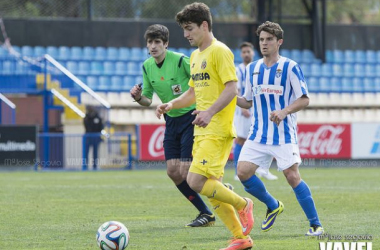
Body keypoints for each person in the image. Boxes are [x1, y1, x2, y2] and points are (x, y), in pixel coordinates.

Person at [157, 3, 254, 250]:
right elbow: (192, 92)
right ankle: (240, 238)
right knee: (213, 189)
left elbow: (232, 88)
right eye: (184, 30)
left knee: (195, 181)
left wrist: (210, 112)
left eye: (189, 28)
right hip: (201, 130)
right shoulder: (195, 56)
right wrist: (171, 104)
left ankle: (244, 204)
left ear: (204, 25)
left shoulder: (220, 51)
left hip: (217, 129)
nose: (186, 34)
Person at [236, 21, 324, 236]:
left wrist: (284, 112)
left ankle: (315, 224)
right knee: (243, 172)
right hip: (257, 134)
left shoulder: (290, 67)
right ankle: (273, 204)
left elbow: (304, 99)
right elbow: (247, 101)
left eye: (269, 39)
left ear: (279, 42)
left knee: (292, 176)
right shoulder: (252, 69)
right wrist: (229, 97)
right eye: (262, 40)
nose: (264, 43)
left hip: (283, 134)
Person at [130, 24, 215, 227]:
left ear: (166, 44)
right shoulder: (147, 66)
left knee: (186, 172)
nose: (153, 46)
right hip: (171, 121)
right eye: (150, 42)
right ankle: (206, 213)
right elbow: (148, 100)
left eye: (157, 42)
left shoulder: (181, 61)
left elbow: (202, 84)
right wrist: (139, 97)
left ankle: (219, 189)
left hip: (190, 118)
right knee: (172, 171)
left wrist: (206, 109)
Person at [233, 42, 278, 181]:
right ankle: (237, 171)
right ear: (241, 54)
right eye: (244, 52)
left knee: (266, 137)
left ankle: (263, 169)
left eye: (248, 51)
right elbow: (237, 89)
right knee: (241, 139)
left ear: (253, 53)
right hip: (244, 110)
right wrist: (243, 108)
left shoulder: (258, 67)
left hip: (259, 110)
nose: (246, 54)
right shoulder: (238, 70)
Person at [83, 106, 103, 170]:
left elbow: (101, 127)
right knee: (86, 153)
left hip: (96, 138)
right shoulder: (86, 118)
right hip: (88, 137)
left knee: (95, 153)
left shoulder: (98, 117)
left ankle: (95, 167)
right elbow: (86, 126)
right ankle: (85, 167)